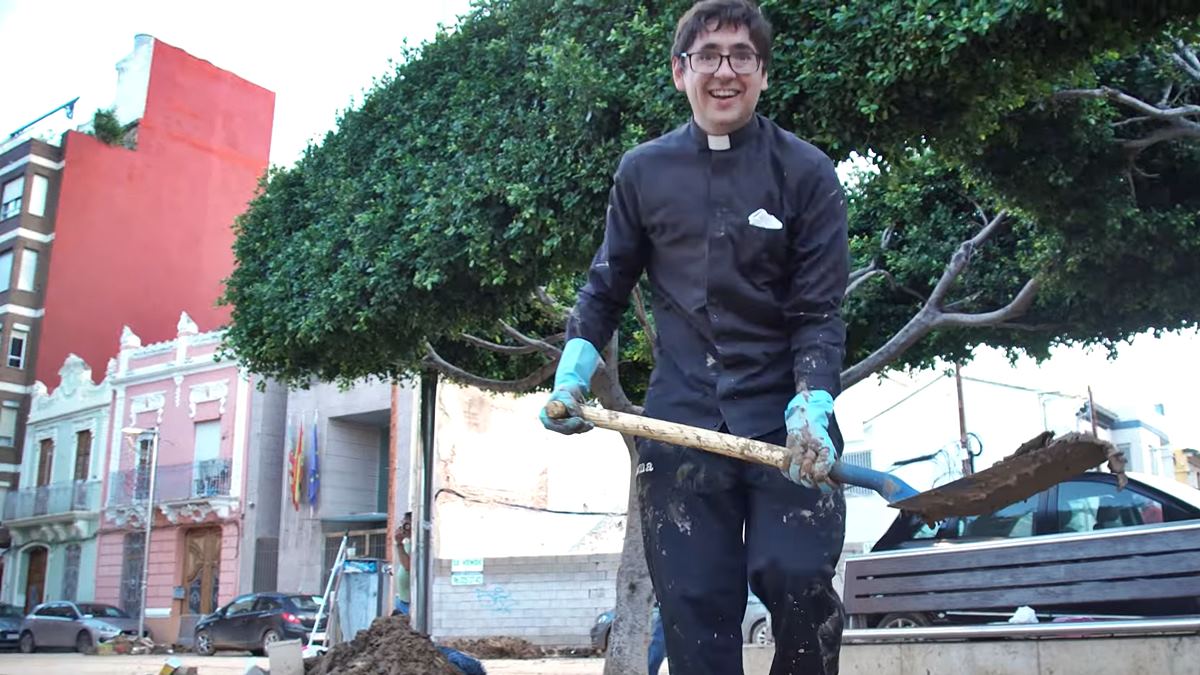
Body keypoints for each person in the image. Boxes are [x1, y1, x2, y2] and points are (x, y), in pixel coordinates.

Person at [539, 1, 848, 673]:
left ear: (763, 73)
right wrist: (573, 370)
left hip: (786, 426)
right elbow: (606, 286)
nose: (725, 70)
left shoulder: (808, 174)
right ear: (680, 71)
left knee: (799, 581)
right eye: (707, 55)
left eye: (742, 55)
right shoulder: (643, 172)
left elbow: (818, 312)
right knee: (694, 605)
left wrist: (813, 401)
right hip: (680, 423)